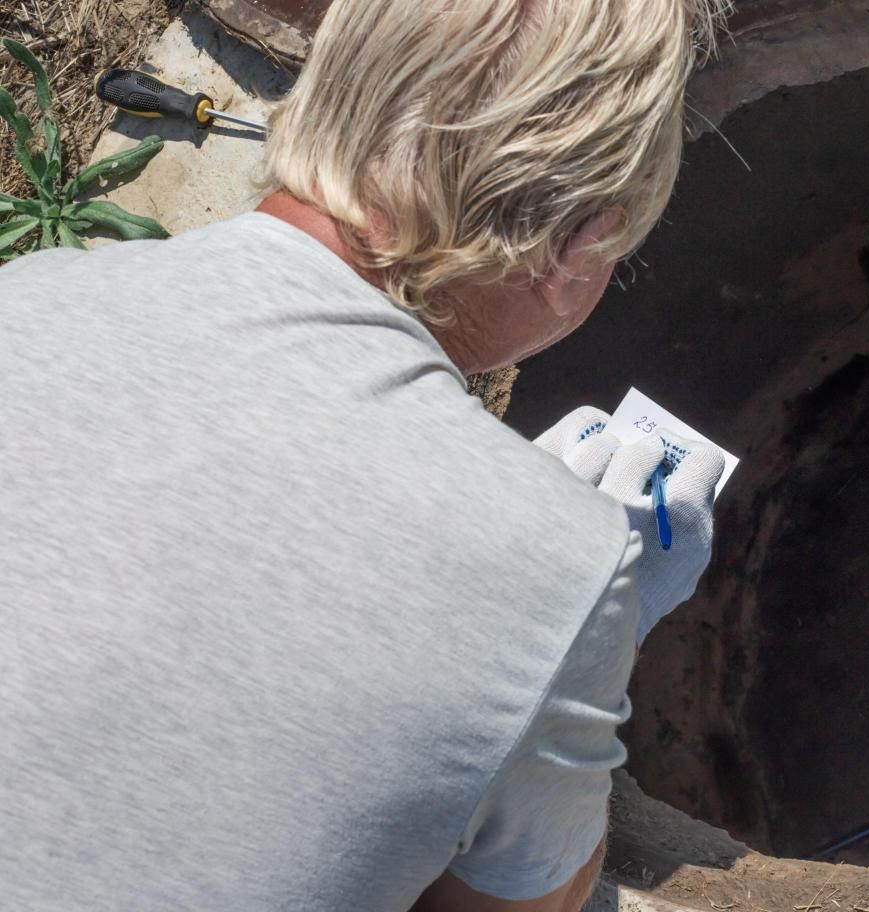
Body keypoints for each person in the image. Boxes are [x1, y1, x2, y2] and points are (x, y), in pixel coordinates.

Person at [0, 1, 729, 909]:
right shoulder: (556, 566)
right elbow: (518, 899)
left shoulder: (26, 301)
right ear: (575, 249)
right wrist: (582, 624)